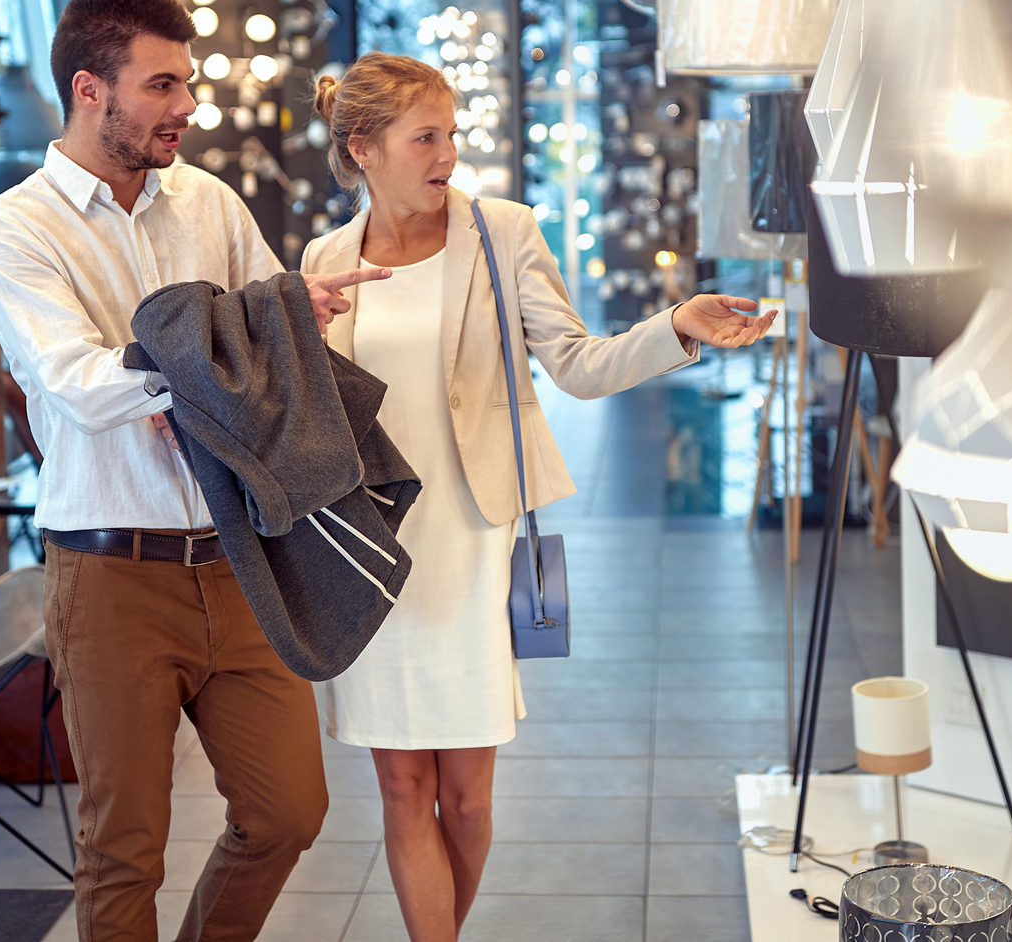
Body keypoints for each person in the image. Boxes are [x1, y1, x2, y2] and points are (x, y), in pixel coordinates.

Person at [300, 54, 773, 942]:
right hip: (375, 550)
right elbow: (312, 408)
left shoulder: (500, 232)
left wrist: (673, 326)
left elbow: (577, 365)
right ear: (363, 148)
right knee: (401, 788)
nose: (448, 155)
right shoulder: (326, 259)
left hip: (473, 537)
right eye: (426, 137)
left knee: (466, 799)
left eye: (452, 134)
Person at [0, 0, 387, 942]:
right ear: (90, 90)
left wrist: (220, 355)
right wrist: (210, 365)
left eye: (186, 82)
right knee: (123, 851)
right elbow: (77, 383)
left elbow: (268, 358)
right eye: (162, 86)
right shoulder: (13, 228)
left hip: (239, 558)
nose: (187, 107)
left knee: (288, 811)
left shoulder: (209, 201)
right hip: (110, 572)